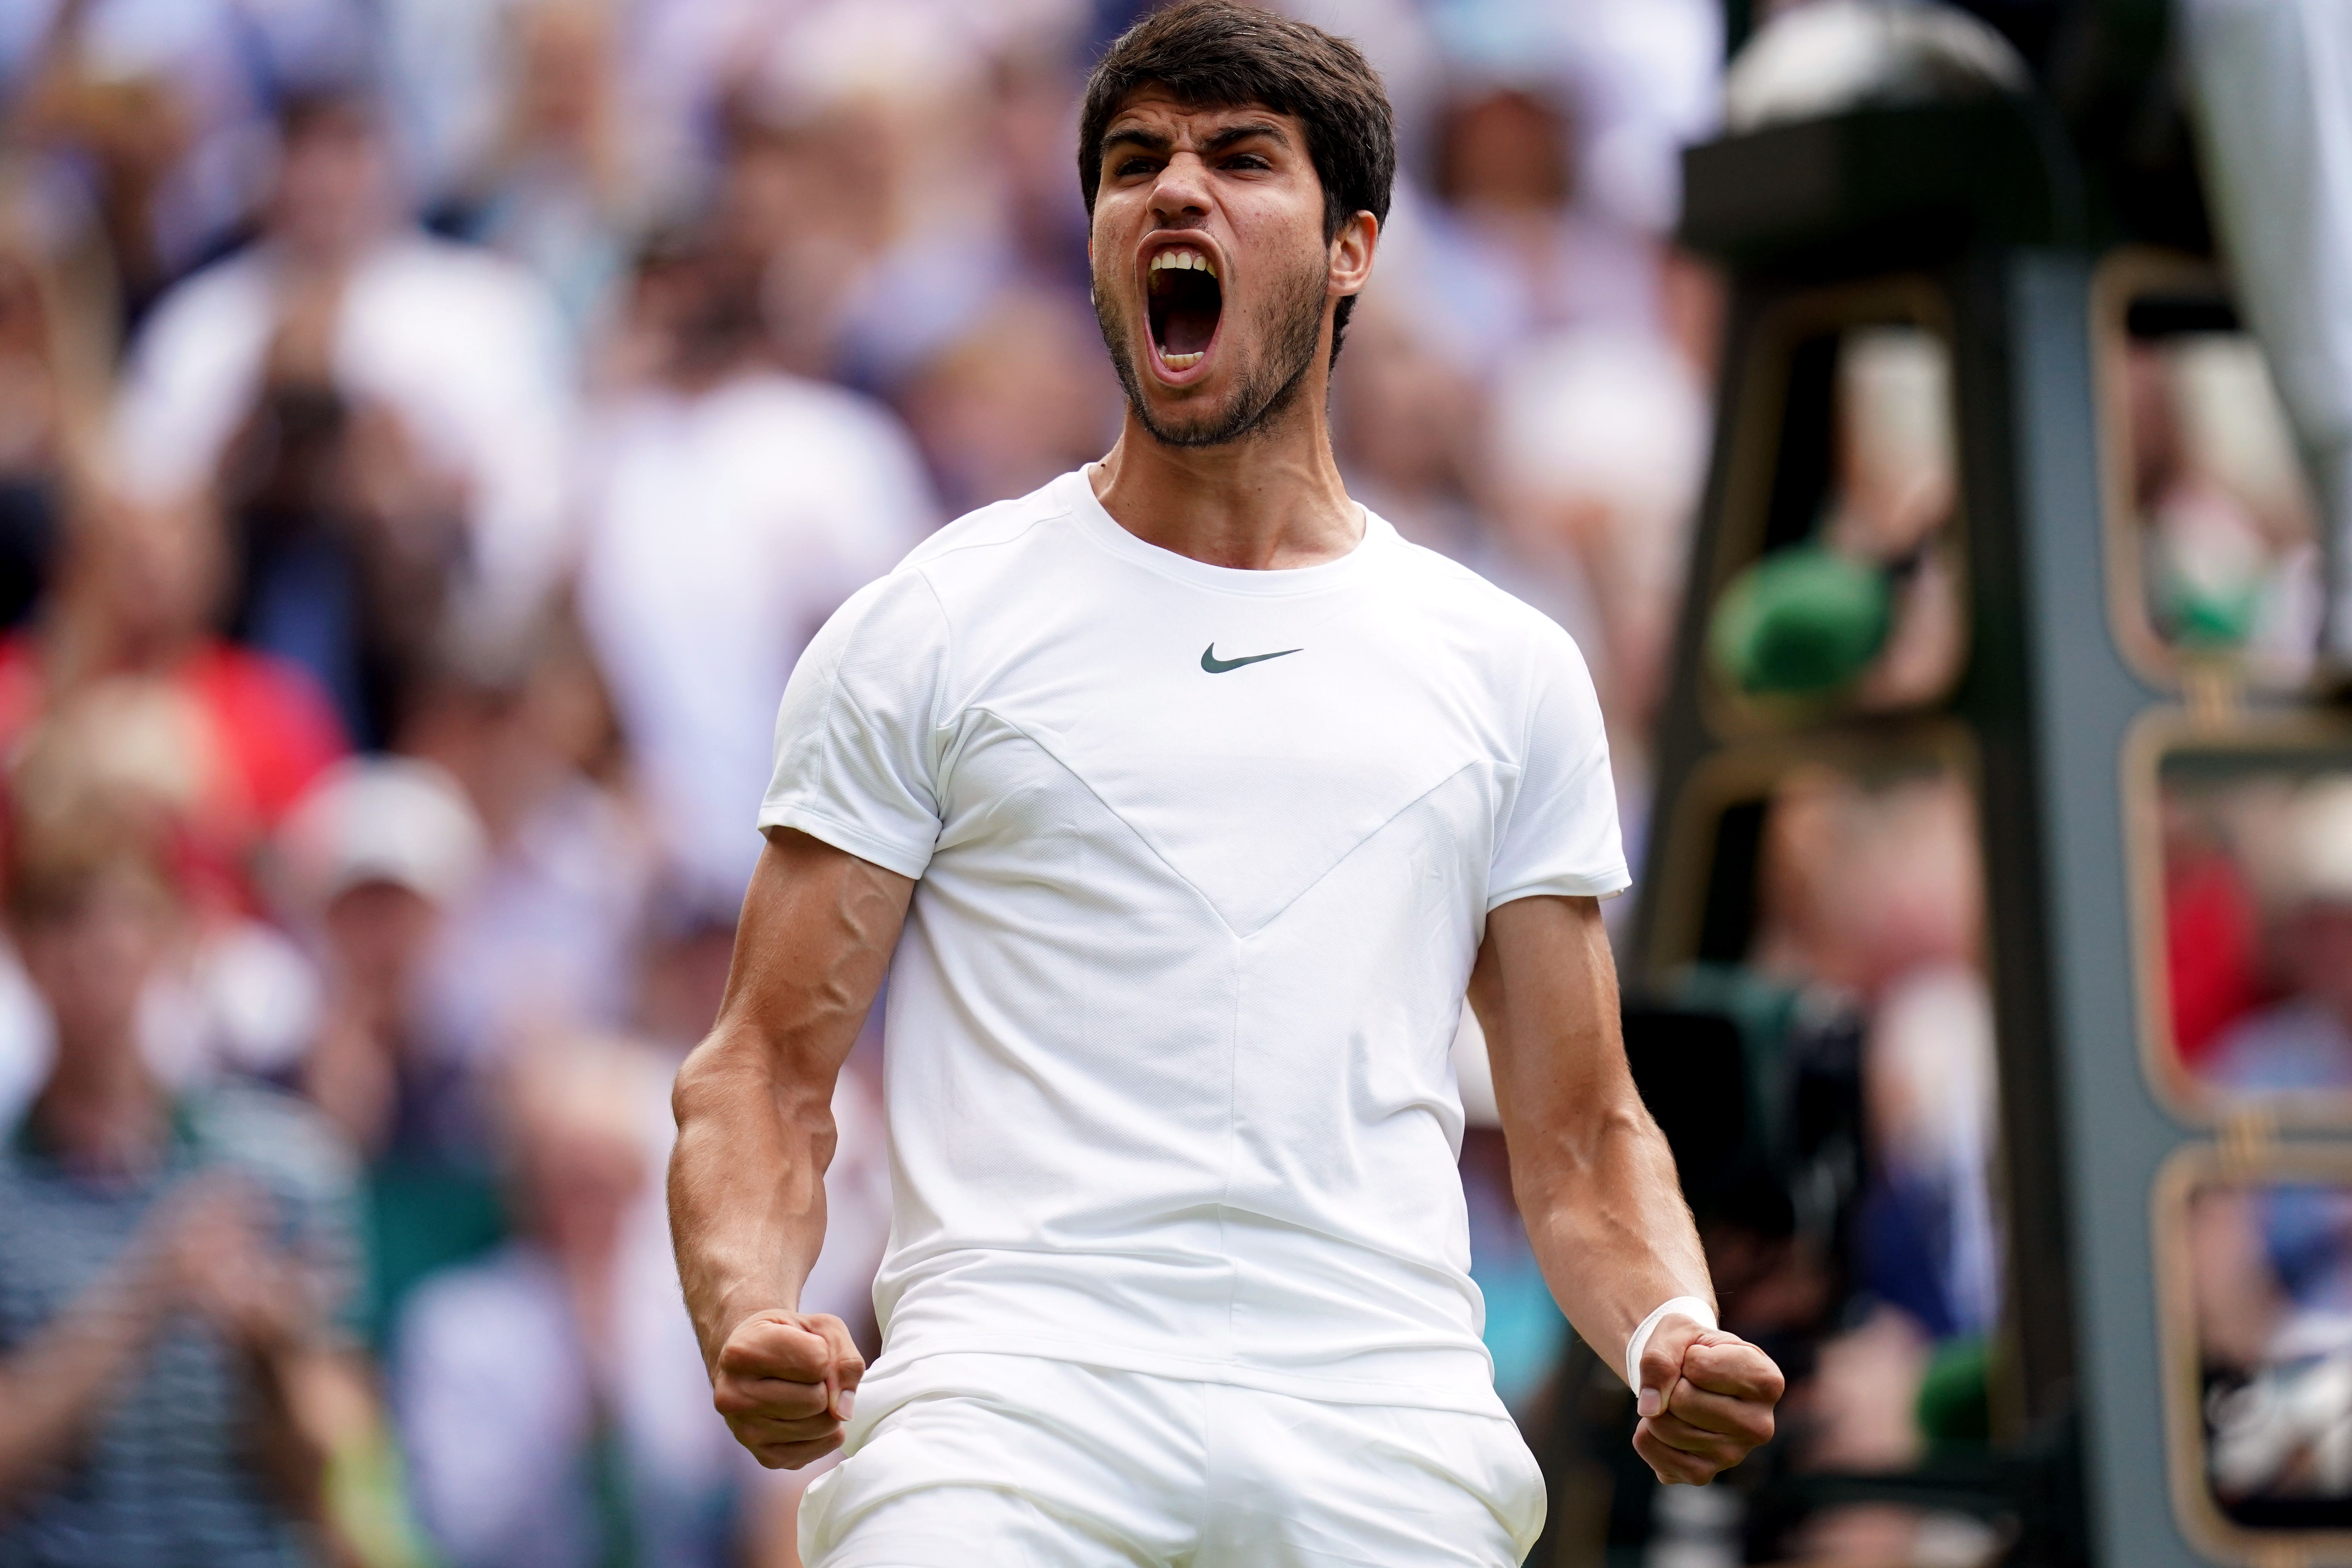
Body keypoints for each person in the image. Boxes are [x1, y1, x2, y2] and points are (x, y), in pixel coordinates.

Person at [666, 6, 1784, 1565]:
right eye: (1134, 164)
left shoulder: (1506, 667)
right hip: (1003, 1438)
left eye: (1241, 159)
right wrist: (750, 1313)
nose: (1173, 192)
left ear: (1352, 250)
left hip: (1383, 1438)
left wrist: (1668, 1325)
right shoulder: (926, 624)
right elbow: (760, 1079)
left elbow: (1583, 1137)